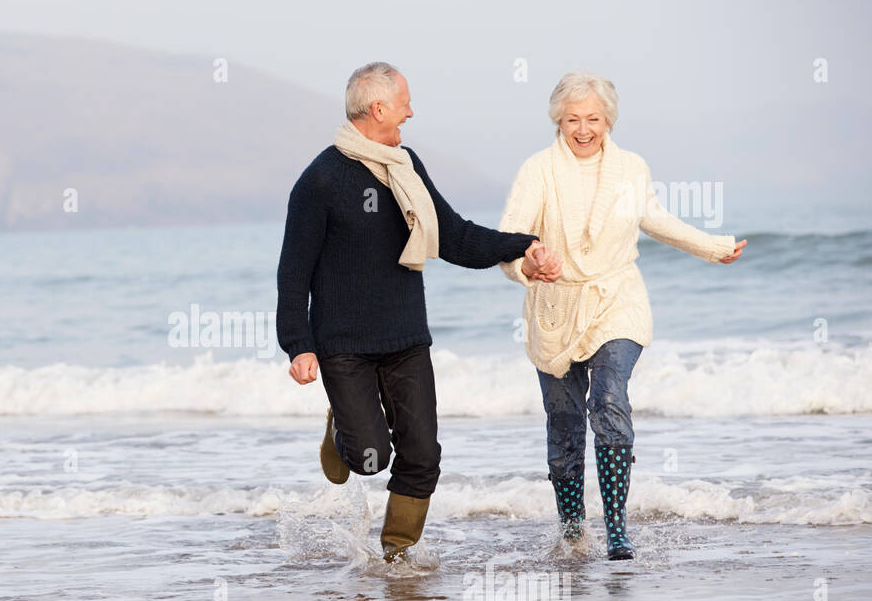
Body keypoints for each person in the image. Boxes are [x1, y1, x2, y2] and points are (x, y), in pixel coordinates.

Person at [277, 62, 560, 562]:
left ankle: (396, 558)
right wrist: (298, 345)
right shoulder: (319, 181)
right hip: (343, 345)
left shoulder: (406, 166)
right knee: (370, 458)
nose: (412, 110)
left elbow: (453, 235)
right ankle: (343, 426)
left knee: (422, 456)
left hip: (406, 337)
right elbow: (293, 272)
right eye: (404, 101)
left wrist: (523, 246)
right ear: (379, 108)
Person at [498, 71, 746, 560]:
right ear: (558, 120)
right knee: (564, 421)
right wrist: (527, 261)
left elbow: (655, 219)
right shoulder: (538, 170)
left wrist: (712, 247)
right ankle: (572, 532)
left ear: (608, 119)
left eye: (593, 118)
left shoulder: (631, 168)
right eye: (573, 119)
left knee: (609, 400)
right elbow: (509, 235)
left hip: (617, 299)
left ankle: (616, 529)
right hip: (555, 307)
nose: (583, 128)